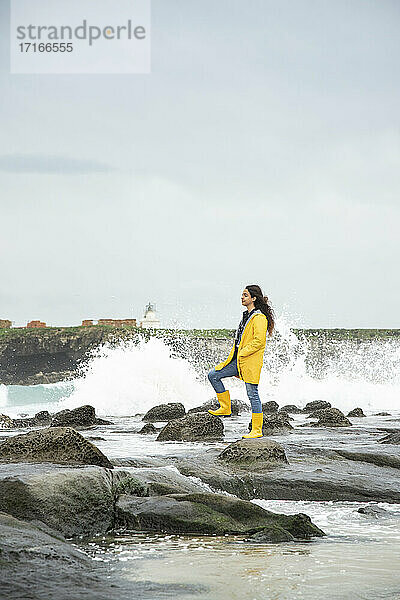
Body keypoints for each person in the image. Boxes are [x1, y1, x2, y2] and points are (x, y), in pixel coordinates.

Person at [207, 285, 275, 438]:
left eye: (245, 295)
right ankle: (225, 407)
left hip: (249, 361)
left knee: (252, 394)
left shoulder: (259, 318)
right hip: (237, 361)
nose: (242, 297)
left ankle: (257, 429)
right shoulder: (247, 315)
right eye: (242, 295)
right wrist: (237, 355)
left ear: (254, 298)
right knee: (213, 375)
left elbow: (259, 341)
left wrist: (243, 352)